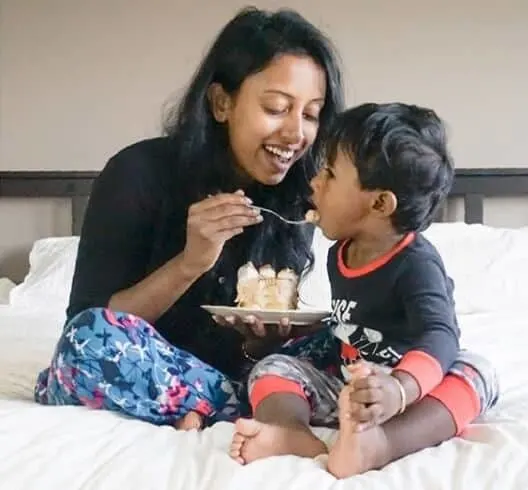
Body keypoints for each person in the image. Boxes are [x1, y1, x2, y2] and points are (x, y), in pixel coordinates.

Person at [33, 6, 344, 429]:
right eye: (276, 108)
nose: (295, 134)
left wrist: (260, 344)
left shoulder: (294, 198)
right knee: (87, 343)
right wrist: (190, 262)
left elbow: (255, 351)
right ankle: (263, 403)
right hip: (143, 363)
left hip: (233, 373)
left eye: (310, 114)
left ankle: (218, 404)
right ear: (221, 103)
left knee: (370, 342)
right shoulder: (138, 172)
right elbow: (92, 322)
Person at [229, 103, 500, 478]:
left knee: (477, 372)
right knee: (273, 368)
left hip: (413, 393)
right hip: (352, 392)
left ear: (378, 203)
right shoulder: (340, 252)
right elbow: (351, 322)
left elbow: (439, 334)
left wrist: (399, 389)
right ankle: (291, 433)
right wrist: (295, 331)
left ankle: (383, 444)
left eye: (330, 173)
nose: (314, 182)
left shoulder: (416, 263)